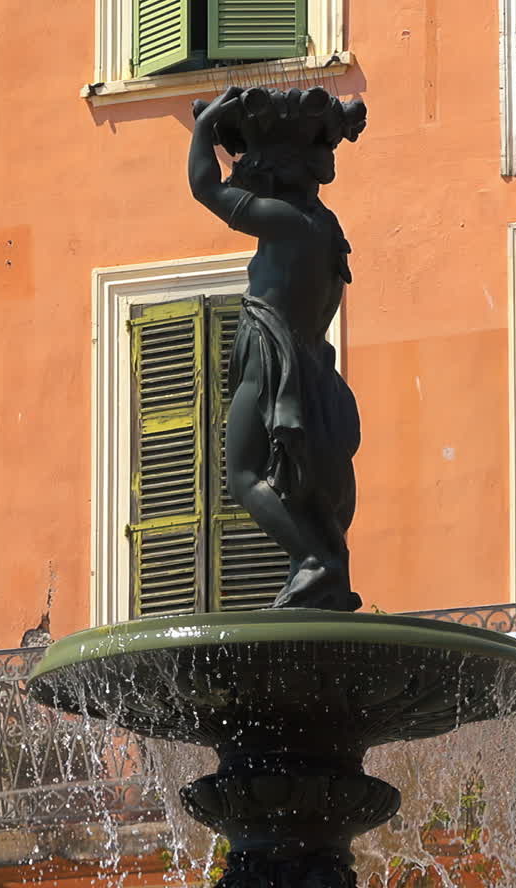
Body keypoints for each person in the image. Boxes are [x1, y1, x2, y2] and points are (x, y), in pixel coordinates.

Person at [188, 86, 366, 611]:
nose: (241, 170)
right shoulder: (325, 227)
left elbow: (204, 188)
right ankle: (322, 569)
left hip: (272, 351)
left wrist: (203, 129)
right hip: (312, 363)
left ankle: (312, 559)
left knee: (245, 475)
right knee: (305, 481)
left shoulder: (283, 221)